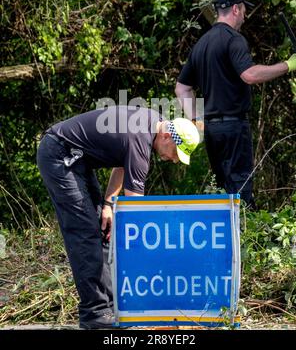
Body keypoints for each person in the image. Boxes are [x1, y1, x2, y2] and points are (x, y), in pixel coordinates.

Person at [37, 105, 199, 329]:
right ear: (166, 136)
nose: (173, 160)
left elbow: (122, 164)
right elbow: (135, 212)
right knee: (85, 234)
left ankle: (111, 307)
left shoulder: (154, 123)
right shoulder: (141, 141)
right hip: (60, 155)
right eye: (176, 153)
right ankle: (94, 315)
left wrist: (108, 204)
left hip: (77, 159)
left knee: (104, 230)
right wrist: (150, 262)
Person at [175, 0, 296, 208]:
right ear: (235, 9)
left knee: (224, 193)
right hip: (234, 126)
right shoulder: (234, 40)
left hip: (212, 130)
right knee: (241, 192)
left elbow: (182, 88)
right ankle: (245, 237)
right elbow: (250, 75)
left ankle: (230, 239)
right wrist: (288, 65)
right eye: (243, 11)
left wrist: (197, 120)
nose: (244, 16)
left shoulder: (201, 44)